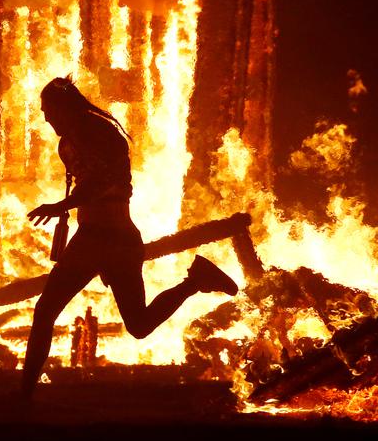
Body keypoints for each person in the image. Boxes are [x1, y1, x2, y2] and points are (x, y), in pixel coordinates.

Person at [21, 77, 239, 398]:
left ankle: (24, 396)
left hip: (105, 238)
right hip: (104, 237)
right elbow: (95, 181)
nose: (46, 118)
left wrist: (62, 205)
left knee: (63, 313)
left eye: (49, 111)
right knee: (131, 323)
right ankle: (196, 281)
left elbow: (102, 181)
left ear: (64, 107)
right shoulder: (73, 138)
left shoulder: (93, 132)